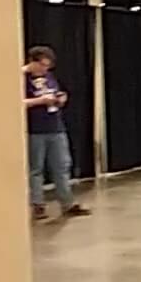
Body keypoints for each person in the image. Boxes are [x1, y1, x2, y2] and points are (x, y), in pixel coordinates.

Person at [24, 46, 90, 222]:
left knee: (62, 166)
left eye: (48, 66)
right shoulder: (22, 77)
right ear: (33, 61)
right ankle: (37, 205)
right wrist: (40, 101)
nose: (45, 69)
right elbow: (17, 101)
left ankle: (67, 203)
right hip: (35, 130)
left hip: (56, 126)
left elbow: (57, 92)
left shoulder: (49, 77)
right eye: (42, 65)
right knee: (36, 168)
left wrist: (60, 98)